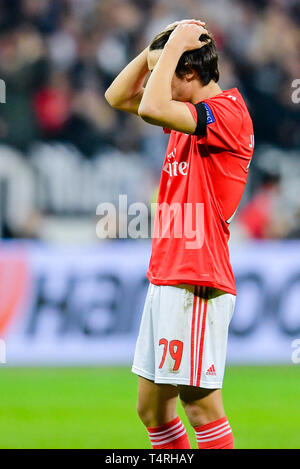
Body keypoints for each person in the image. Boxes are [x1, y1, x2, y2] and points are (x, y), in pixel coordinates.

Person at [105, 19, 254, 450]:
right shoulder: (187, 118)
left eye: (167, 72)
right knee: (152, 411)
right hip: (168, 275)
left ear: (189, 74)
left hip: (197, 278)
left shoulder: (228, 113)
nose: (157, 81)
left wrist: (170, 52)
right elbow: (117, 96)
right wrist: (159, 51)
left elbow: (150, 107)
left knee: (200, 408)